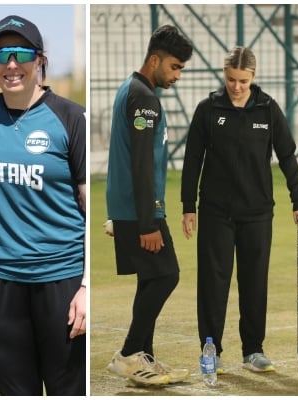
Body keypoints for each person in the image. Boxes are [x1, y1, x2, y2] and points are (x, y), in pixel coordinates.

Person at [0, 15, 87, 395]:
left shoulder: (70, 116)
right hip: (1, 286)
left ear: (40, 59)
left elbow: (89, 205)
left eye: (21, 53)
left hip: (62, 284)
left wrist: (86, 287)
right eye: (0, 54)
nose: (11, 64)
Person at [181, 46, 298, 374]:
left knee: (254, 282)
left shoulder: (267, 110)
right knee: (213, 284)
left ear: (253, 77)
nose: (236, 86)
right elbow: (193, 160)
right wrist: (188, 206)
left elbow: (287, 156)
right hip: (215, 213)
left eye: (242, 80)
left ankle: (253, 350)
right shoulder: (208, 110)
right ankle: (211, 350)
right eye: (230, 79)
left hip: (257, 213)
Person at [104, 24, 193, 386]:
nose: (176, 76)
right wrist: (148, 223)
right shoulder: (144, 98)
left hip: (130, 209)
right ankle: (128, 354)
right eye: (174, 67)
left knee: (151, 279)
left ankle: (146, 360)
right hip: (140, 212)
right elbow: (141, 164)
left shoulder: (132, 89)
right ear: (154, 59)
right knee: (167, 275)